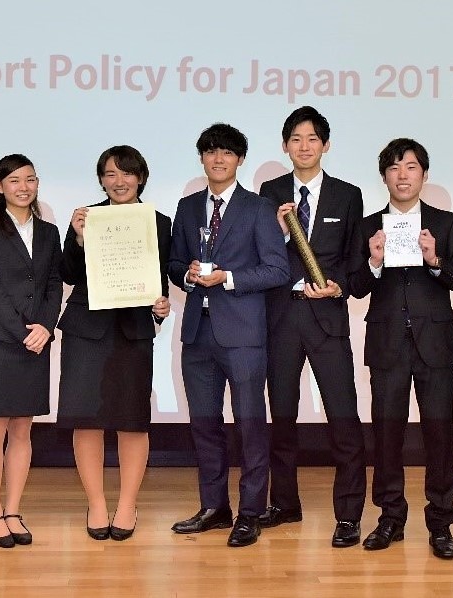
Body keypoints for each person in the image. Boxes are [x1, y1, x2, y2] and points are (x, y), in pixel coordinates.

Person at [168, 123, 289, 547]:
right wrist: (186, 274)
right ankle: (214, 507)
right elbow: (174, 263)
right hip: (197, 332)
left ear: (239, 160)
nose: (218, 159)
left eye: (227, 153)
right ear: (202, 158)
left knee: (250, 426)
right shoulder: (187, 208)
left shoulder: (258, 208)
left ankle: (250, 512)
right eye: (211, 152)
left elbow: (277, 269)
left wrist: (229, 278)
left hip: (242, 335)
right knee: (205, 424)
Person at [348, 138, 453, 559]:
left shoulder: (446, 223)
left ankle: (441, 523)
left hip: (434, 343)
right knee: (386, 436)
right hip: (387, 343)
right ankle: (390, 518)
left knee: (440, 435)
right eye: (394, 168)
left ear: (424, 174)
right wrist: (374, 261)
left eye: (411, 167)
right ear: (384, 176)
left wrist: (435, 260)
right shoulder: (368, 226)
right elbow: (355, 287)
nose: (403, 175)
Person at [257, 106, 366, 547]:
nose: (304, 147)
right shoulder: (269, 192)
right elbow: (260, 252)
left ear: (326, 145)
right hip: (281, 316)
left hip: (327, 319)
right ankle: (285, 503)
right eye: (296, 139)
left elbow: (355, 259)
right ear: (285, 146)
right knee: (282, 417)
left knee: (343, 417)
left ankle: (349, 515)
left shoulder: (347, 194)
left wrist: (340, 287)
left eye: (312, 139)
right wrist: (280, 233)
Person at [56, 145, 171, 541]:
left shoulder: (159, 222)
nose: (119, 181)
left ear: (141, 177)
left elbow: (159, 278)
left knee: (132, 420)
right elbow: (68, 274)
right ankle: (97, 504)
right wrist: (78, 238)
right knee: (87, 419)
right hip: (86, 330)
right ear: (101, 181)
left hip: (133, 331)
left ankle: (126, 504)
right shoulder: (87, 217)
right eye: (110, 174)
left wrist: (160, 306)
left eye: (126, 173)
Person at [0, 154, 63, 548]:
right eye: (14, 180)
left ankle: (13, 510)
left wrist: (46, 326)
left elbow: (54, 284)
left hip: (35, 341)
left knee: (23, 430)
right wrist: (22, 330)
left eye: (30, 179)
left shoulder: (49, 232)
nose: (23, 187)